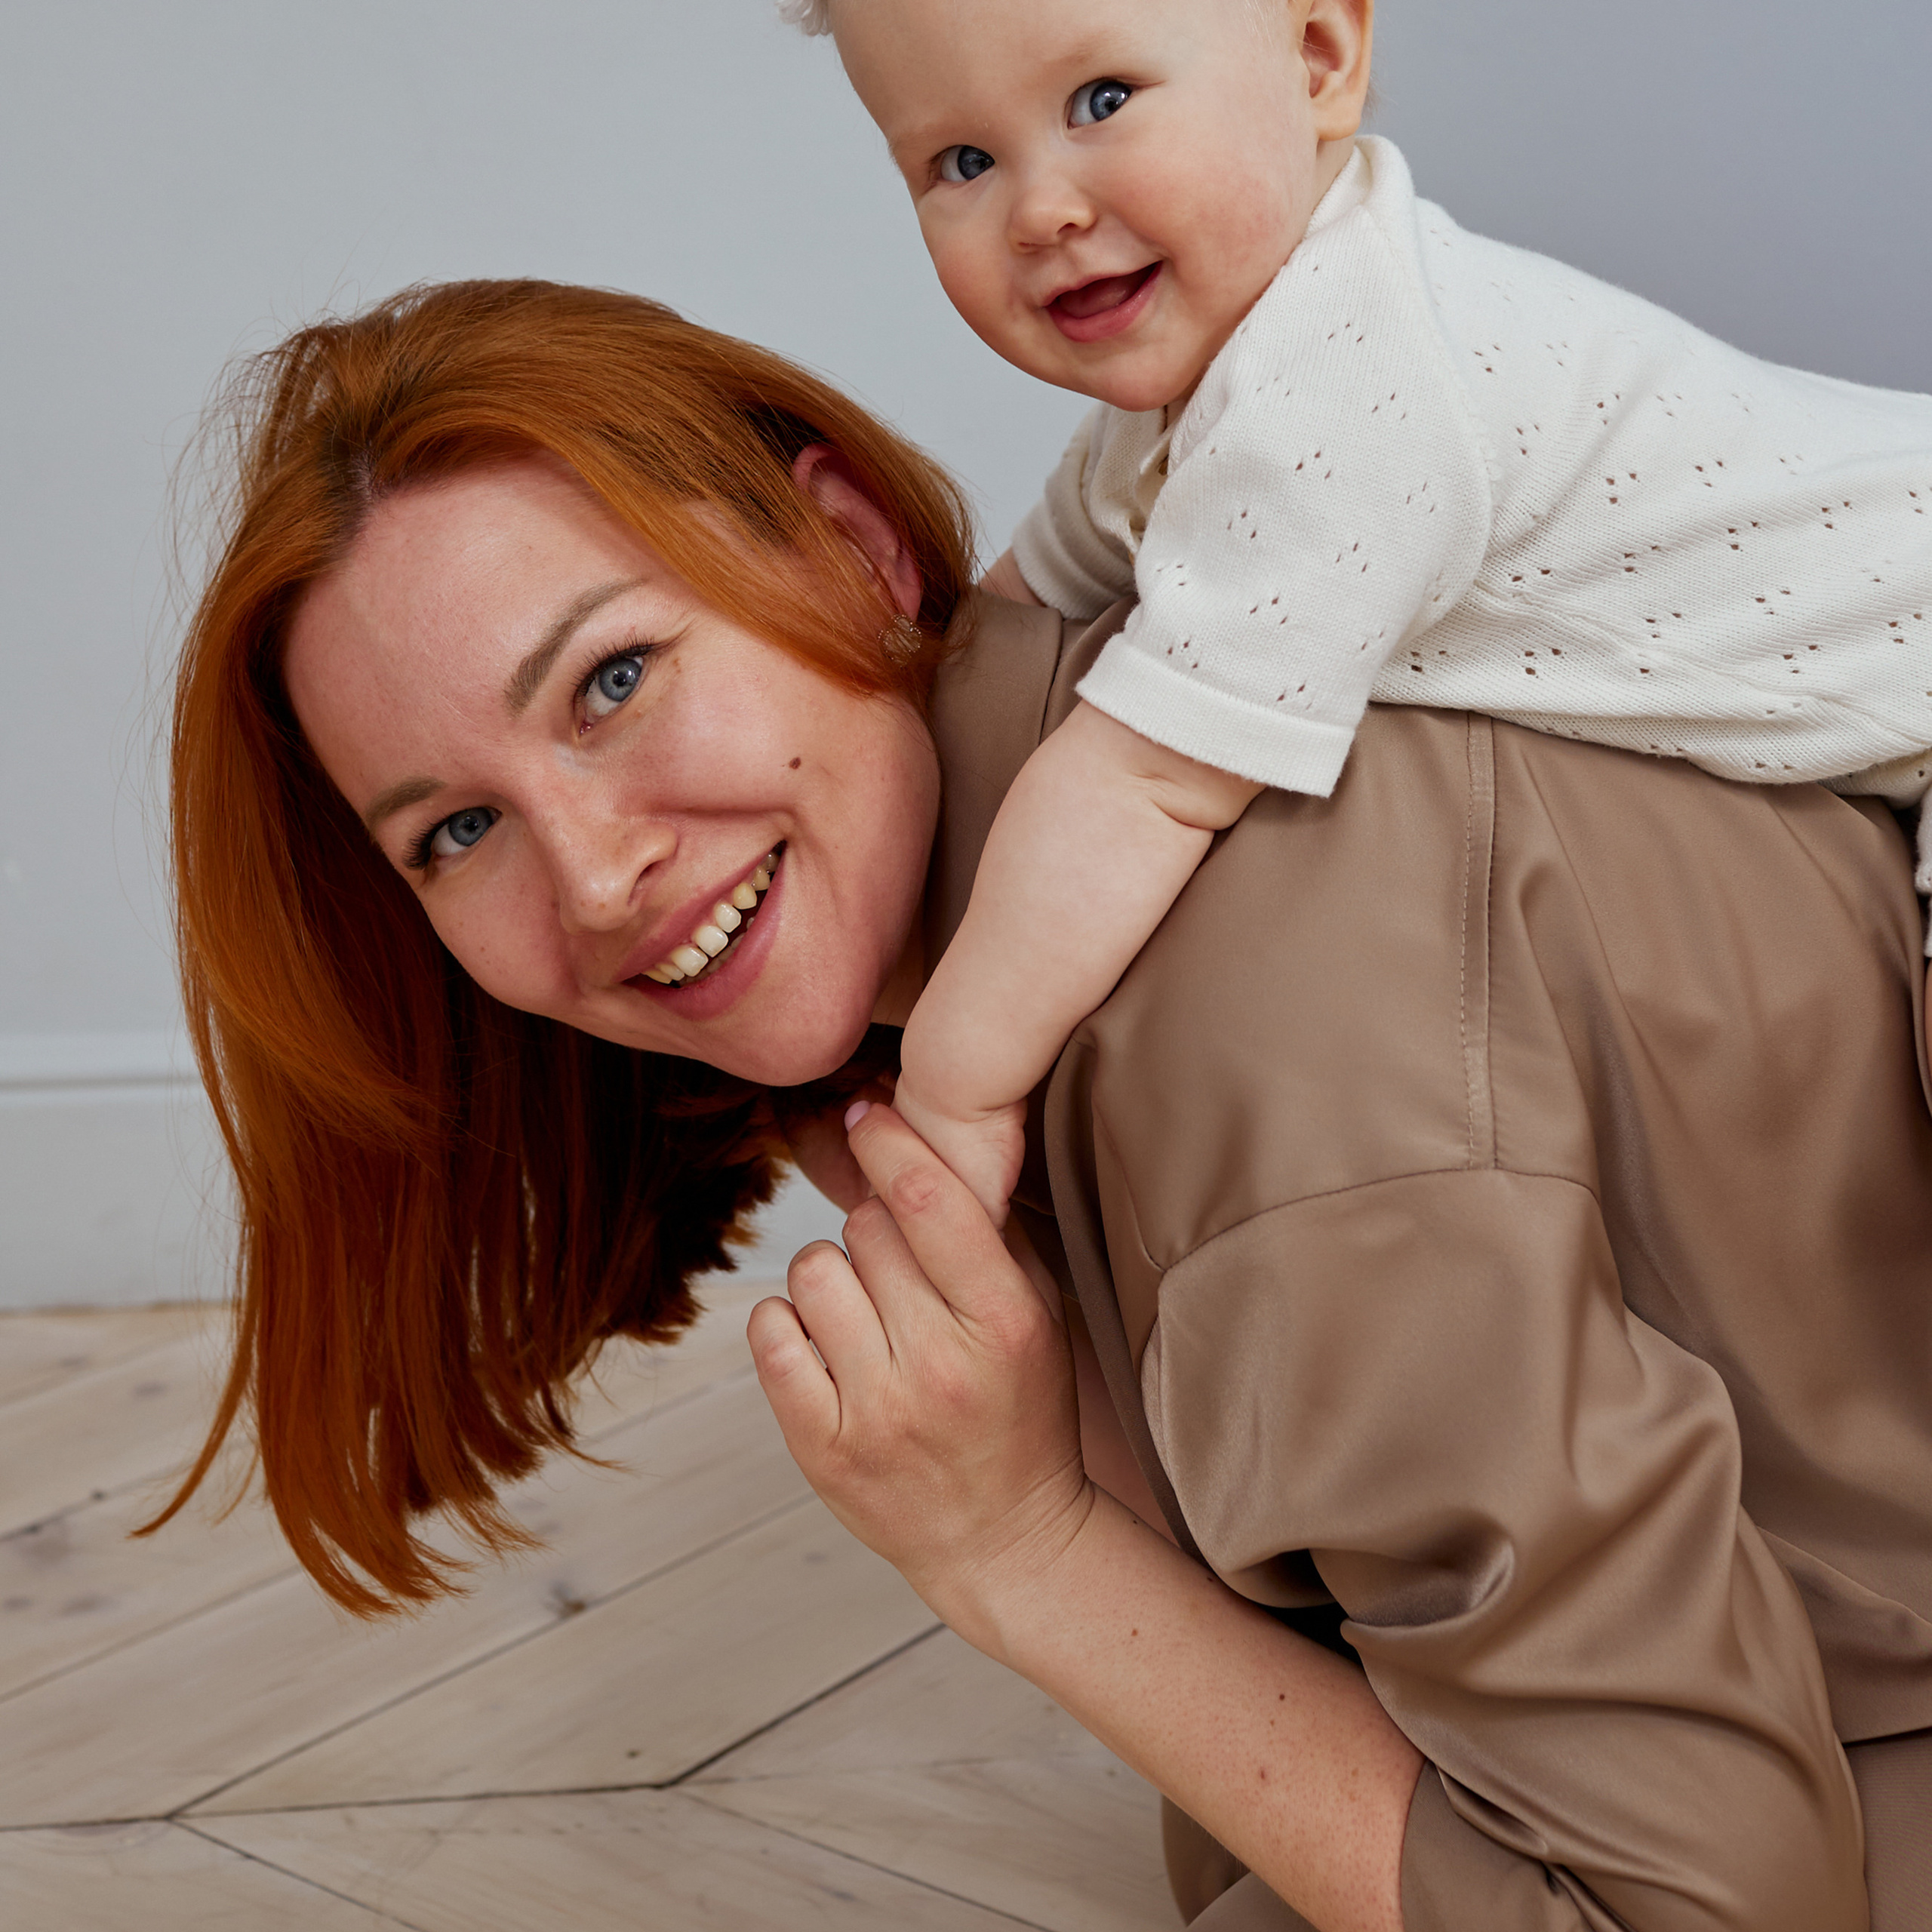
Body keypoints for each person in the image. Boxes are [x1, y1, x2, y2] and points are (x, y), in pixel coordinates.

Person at [158, 278, 1932, 1929]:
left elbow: (1685, 1911)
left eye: (613, 681)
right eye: (456, 829)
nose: (595, 873)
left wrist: (1022, 1550)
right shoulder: (1071, 856)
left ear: (850, 545)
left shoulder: (1257, 1067)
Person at [777, 0, 1932, 1227]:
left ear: (1320, 59)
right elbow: (1009, 626)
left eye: (1101, 101)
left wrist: (952, 1086)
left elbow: (1144, 783)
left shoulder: (1351, 390)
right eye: (962, 161)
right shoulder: (1184, 398)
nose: (1041, 210)